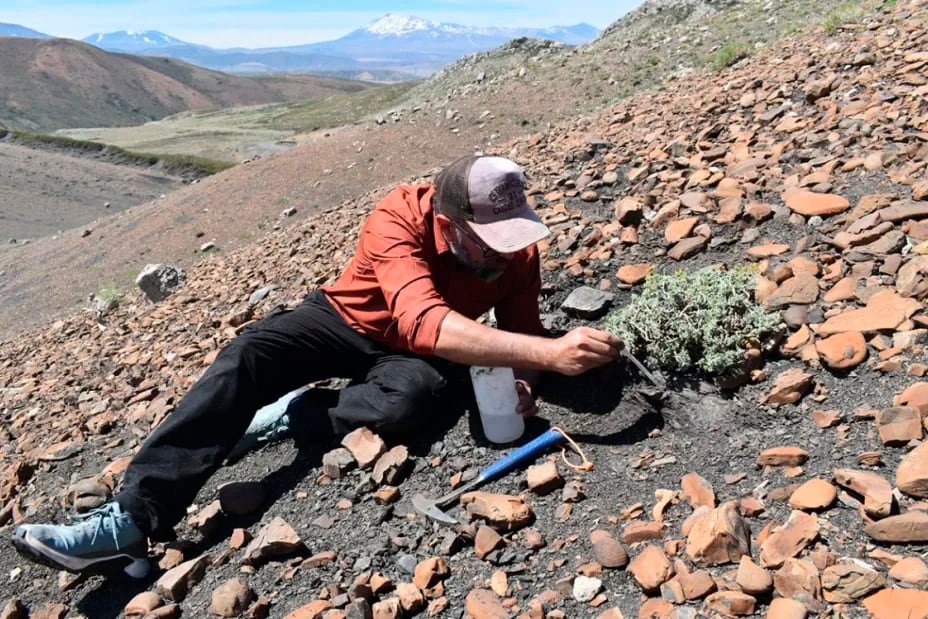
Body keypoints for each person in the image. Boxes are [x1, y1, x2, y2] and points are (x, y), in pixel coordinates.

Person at [11, 154, 623, 578]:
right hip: (343, 321)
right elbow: (419, 317)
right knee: (248, 355)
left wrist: (525, 377)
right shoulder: (398, 216)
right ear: (446, 223)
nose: (505, 254)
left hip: (418, 353)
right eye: (489, 243)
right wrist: (548, 355)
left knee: (406, 405)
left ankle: (291, 415)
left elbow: (521, 329)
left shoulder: (516, 247)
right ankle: (132, 520)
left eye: (513, 239)